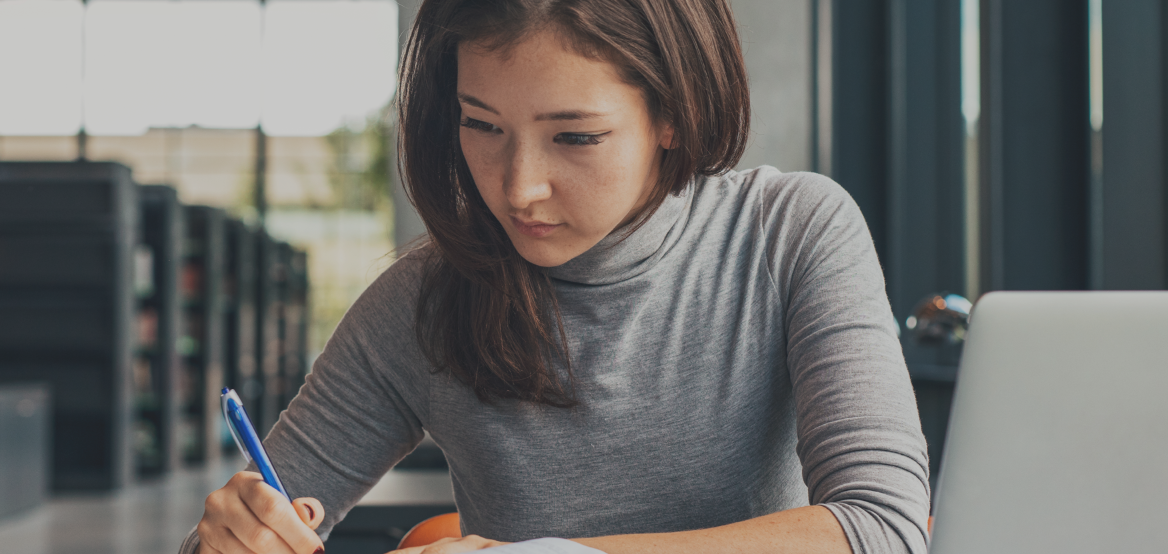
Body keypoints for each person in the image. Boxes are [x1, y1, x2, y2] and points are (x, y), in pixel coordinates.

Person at [182, 0, 930, 553]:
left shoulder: (789, 233)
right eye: (482, 125)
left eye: (574, 136)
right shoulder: (421, 301)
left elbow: (883, 528)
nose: (518, 188)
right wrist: (227, 539)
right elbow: (245, 525)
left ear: (673, 114)